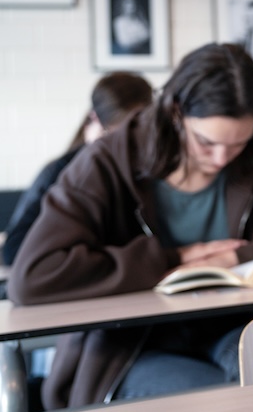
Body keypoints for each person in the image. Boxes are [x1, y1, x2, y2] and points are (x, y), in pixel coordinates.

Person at [7, 43, 253, 411]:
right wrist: (171, 258)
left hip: (232, 325)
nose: (222, 158)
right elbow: (33, 274)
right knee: (228, 401)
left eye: (237, 143)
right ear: (176, 112)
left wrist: (233, 257)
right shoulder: (108, 161)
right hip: (132, 344)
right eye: (206, 142)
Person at [3, 72, 154, 266]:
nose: (124, 147)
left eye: (135, 138)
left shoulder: (142, 169)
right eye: (116, 136)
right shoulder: (59, 172)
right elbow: (15, 250)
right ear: (94, 123)